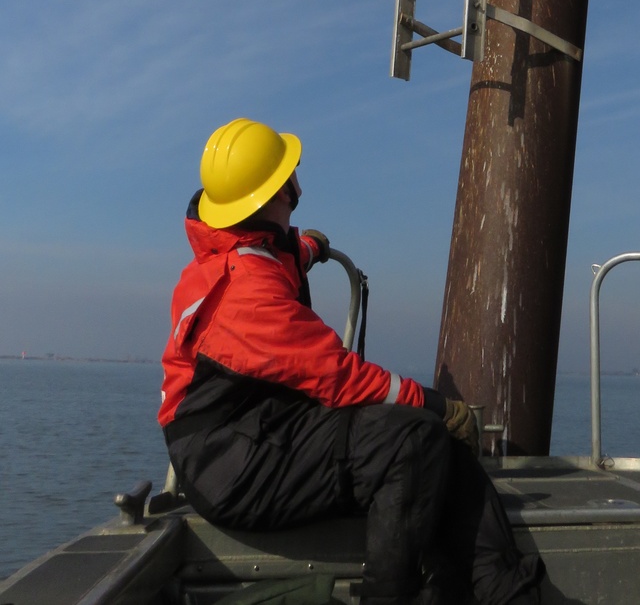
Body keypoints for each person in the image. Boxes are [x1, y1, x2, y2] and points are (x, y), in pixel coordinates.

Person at [159, 118, 543, 605]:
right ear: (275, 196)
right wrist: (436, 405)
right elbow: (338, 376)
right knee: (413, 438)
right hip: (229, 466)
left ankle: (506, 594)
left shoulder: (234, 254)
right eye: (291, 178)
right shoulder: (249, 295)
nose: (299, 188)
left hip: (249, 431)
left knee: (443, 449)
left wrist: (311, 248)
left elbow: (277, 255)